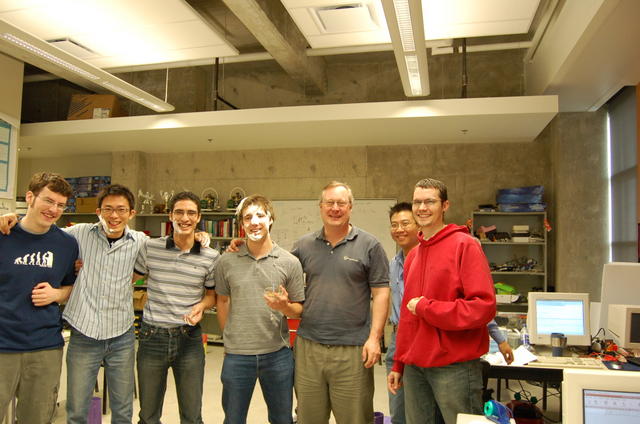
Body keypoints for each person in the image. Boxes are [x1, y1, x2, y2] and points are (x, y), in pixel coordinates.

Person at [0, 184, 212, 424]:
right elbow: (43, 227)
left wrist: (198, 235)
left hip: (121, 336)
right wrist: (12, 218)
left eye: (121, 210)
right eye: (108, 209)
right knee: (76, 411)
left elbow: (175, 240)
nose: (114, 216)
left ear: (131, 213)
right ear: (98, 211)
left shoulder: (141, 242)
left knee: (123, 412)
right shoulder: (77, 235)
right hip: (84, 333)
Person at [385, 202, 512, 424]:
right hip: (409, 350)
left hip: (450, 358)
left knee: (456, 417)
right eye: (394, 225)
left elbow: (480, 307)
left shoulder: (463, 245)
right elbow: (407, 317)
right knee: (403, 416)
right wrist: (399, 362)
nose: (399, 229)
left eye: (405, 223)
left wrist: (499, 338)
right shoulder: (399, 262)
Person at [292, 181, 390, 424]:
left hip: (353, 350)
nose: (335, 208)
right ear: (320, 206)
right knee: (308, 418)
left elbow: (381, 293)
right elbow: (277, 267)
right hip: (309, 348)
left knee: (355, 419)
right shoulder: (303, 245)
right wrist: (241, 245)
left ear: (350, 207)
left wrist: (374, 338)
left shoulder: (370, 245)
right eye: (329, 203)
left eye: (341, 203)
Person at [215, 194, 304, 424]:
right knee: (233, 419)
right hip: (237, 356)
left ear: (271, 219)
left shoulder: (289, 262)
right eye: (247, 218)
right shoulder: (226, 261)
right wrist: (228, 340)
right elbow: (222, 301)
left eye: (260, 215)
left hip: (277, 355)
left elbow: (299, 310)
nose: (254, 222)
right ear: (241, 224)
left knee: (282, 419)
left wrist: (285, 307)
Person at [0, 172, 79, 423]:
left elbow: (72, 286)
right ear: (30, 197)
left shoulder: (67, 244)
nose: (54, 210)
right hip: (2, 345)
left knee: (37, 418)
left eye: (60, 205)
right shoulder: (3, 233)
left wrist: (57, 294)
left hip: (44, 347)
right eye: (48, 201)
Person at [134, 191, 218, 424]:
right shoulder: (150, 248)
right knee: (148, 416)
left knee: (192, 416)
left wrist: (201, 305)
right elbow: (130, 278)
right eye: (179, 212)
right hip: (152, 337)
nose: (185, 218)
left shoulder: (210, 256)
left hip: (189, 339)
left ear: (198, 217)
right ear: (170, 216)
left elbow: (212, 296)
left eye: (191, 213)